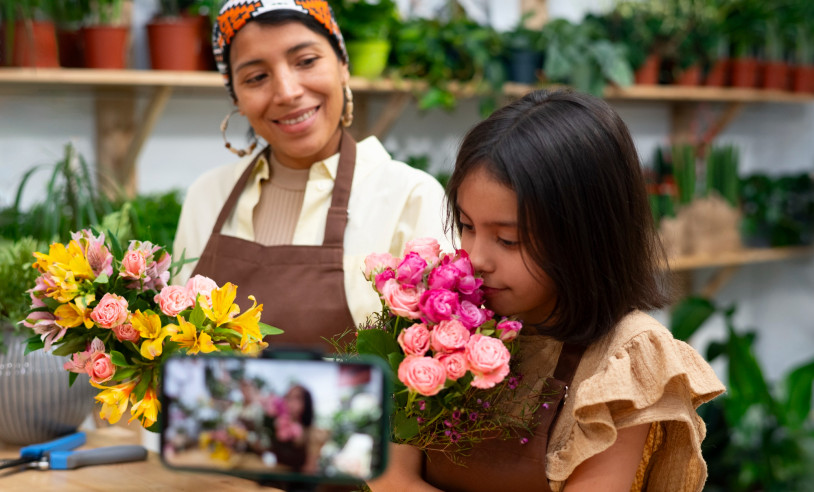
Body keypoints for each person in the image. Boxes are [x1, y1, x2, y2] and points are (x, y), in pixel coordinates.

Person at [368, 89, 726, 492]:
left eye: (507, 239)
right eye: (467, 226)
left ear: (585, 237)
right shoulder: (443, 319)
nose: (476, 258)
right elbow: (389, 476)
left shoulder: (624, 356)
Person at [173, 0, 448, 350]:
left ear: (343, 65)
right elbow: (179, 347)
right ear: (237, 98)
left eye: (306, 61)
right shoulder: (206, 197)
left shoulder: (410, 197)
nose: (287, 92)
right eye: (257, 77)